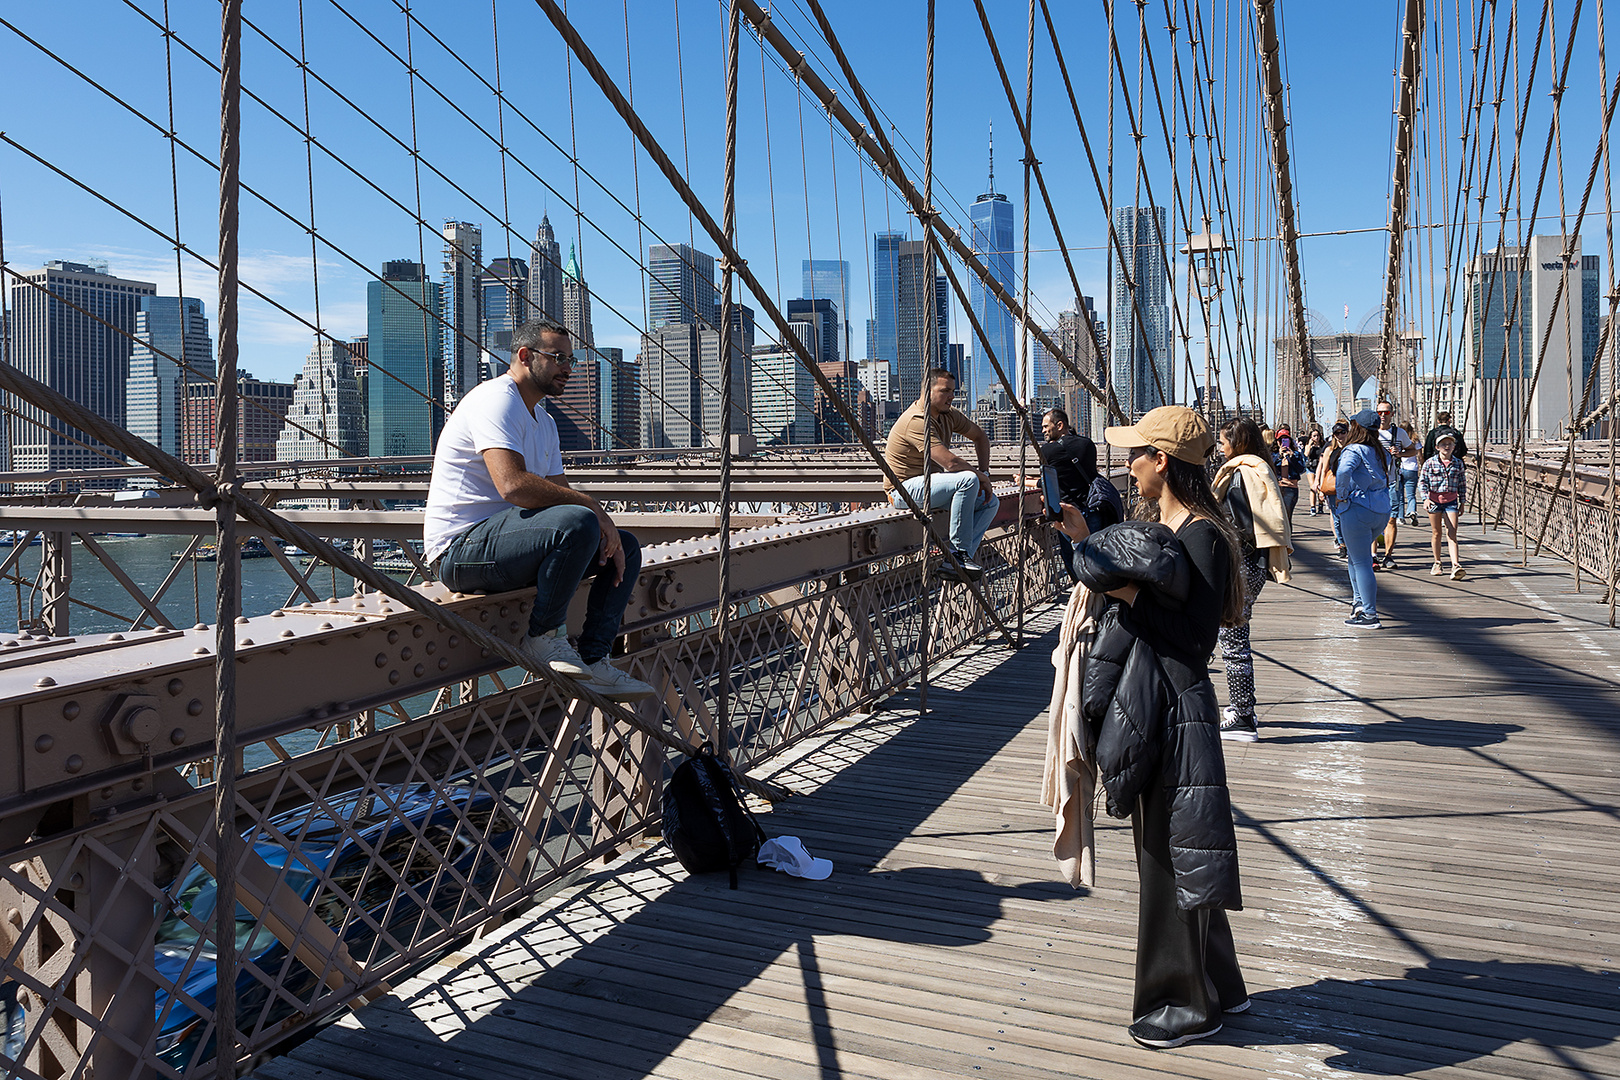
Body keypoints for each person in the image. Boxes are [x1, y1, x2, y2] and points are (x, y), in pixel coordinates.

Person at [1053, 405, 1248, 1049]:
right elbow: (1139, 572)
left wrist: (1128, 597)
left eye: (1135, 453)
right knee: (1178, 841)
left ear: (1162, 462)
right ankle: (1221, 983)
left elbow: (1194, 638)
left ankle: (1182, 1005)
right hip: (1160, 700)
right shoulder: (1166, 525)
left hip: (1175, 705)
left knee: (1164, 854)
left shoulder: (1202, 536)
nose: (1125, 463)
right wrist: (1089, 540)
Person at [424, 318, 656, 701]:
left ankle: (596, 659)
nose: (569, 368)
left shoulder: (544, 420)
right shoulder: (495, 399)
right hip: (460, 551)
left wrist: (601, 524)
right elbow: (512, 485)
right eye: (558, 358)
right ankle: (544, 637)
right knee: (579, 521)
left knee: (624, 548)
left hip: (510, 546)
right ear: (525, 356)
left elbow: (559, 493)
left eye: (572, 360)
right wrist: (593, 508)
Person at [1211, 418, 1292, 743]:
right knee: (1235, 636)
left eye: (1223, 442)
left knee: (1233, 640)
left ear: (1238, 443)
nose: (1219, 447)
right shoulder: (1257, 467)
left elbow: (1240, 526)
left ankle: (1243, 717)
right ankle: (1243, 708)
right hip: (1251, 564)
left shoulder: (1241, 474)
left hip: (1241, 564)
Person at [884, 367, 997, 580]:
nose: (952, 396)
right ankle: (958, 553)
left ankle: (957, 562)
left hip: (930, 488)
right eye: (945, 391)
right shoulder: (916, 420)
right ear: (927, 391)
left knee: (990, 502)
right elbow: (951, 463)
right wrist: (981, 478)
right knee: (967, 480)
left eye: (953, 391)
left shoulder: (948, 414)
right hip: (903, 491)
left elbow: (980, 437)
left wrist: (985, 472)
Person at [1038, 408, 1123, 580]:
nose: (1043, 430)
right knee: (1096, 558)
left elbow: (1051, 481)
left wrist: (1026, 481)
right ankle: (1100, 599)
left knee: (1072, 560)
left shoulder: (1049, 451)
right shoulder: (1087, 444)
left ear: (1060, 425)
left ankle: (1084, 597)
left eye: (1046, 426)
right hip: (1093, 509)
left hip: (1068, 515)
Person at [1333, 409, 1394, 629]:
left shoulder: (1353, 449)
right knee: (1355, 557)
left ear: (1356, 427)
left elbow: (1343, 473)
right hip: (1381, 510)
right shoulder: (1382, 451)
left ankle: (1370, 614)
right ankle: (1359, 603)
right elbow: (1392, 477)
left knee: (1361, 562)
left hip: (1357, 509)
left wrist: (1340, 496)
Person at [1376, 400, 1420, 564]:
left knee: (1391, 519)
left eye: (1386, 413)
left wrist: (1400, 453)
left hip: (1392, 482)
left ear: (1392, 414)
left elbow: (1413, 450)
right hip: (1372, 484)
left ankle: (1388, 556)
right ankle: (1373, 556)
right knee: (1373, 520)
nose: (1382, 416)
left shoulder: (1399, 433)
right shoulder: (1370, 433)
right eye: (1379, 412)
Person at [1418, 432, 1468, 579]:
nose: (1447, 446)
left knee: (1452, 532)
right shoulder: (1429, 463)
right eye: (1443, 444)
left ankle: (1456, 565)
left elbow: (1462, 484)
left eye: (1450, 444)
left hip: (1451, 501)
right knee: (1436, 533)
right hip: (1434, 501)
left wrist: (1463, 502)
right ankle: (1437, 562)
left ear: (1454, 446)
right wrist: (1425, 499)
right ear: (1437, 447)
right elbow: (1422, 482)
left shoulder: (1458, 463)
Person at [1318, 421, 1351, 556]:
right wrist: (1321, 489)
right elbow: (1324, 469)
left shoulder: (1352, 448)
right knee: (1337, 517)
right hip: (1333, 487)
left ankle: (1350, 543)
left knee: (1349, 516)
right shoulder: (1329, 449)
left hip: (1350, 487)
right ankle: (1342, 544)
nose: (1340, 435)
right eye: (1337, 433)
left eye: (1343, 432)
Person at [1272, 429, 1307, 526]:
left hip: (1291, 488)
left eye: (1286, 440)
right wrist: (1279, 455)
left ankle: (1287, 536)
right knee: (1277, 515)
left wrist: (1292, 458)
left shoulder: (1296, 454)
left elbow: (1301, 469)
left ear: (1290, 441)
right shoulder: (1274, 454)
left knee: (1287, 515)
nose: (1283, 443)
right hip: (1277, 487)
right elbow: (1270, 467)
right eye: (1280, 440)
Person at [1304, 426, 1327, 514]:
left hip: (1320, 468)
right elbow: (1306, 454)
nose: (1316, 438)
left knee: (1320, 487)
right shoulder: (1308, 446)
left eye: (1317, 435)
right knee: (1313, 487)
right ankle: (1313, 507)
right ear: (1310, 437)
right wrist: (1310, 444)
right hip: (1311, 468)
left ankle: (1320, 506)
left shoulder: (1323, 445)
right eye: (1314, 436)